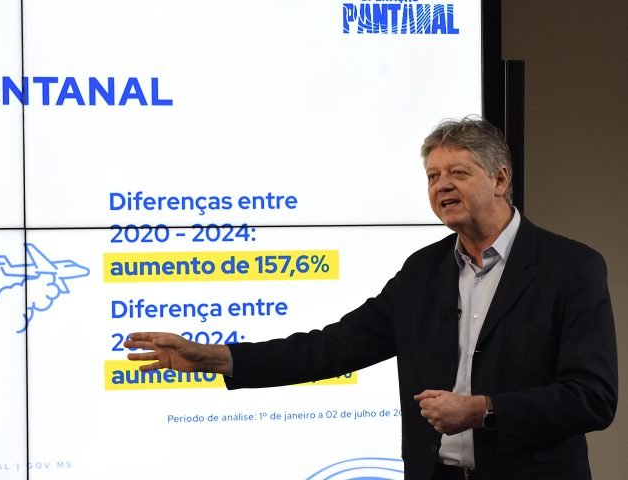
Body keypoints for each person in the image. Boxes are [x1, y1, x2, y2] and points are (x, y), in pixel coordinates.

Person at [123, 118, 618, 480]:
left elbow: (592, 398)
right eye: (433, 176)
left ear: (501, 179)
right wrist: (214, 358)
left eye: (458, 173)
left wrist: (484, 410)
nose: (442, 185)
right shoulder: (423, 272)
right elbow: (331, 348)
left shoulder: (570, 268)